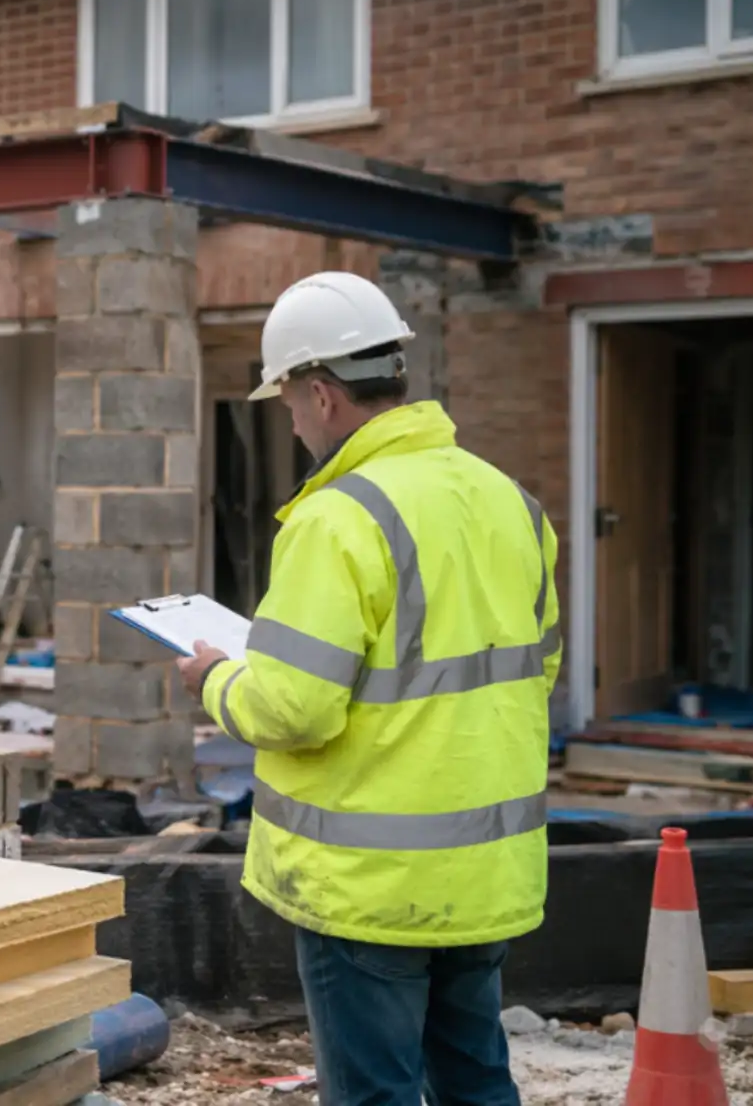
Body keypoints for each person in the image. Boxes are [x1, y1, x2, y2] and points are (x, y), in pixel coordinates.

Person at [174, 272, 560, 1106]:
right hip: (485, 868)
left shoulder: (338, 519)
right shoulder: (510, 502)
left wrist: (215, 680)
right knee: (476, 1080)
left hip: (370, 886)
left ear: (321, 394)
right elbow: (536, 671)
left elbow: (293, 707)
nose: (291, 421)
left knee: (372, 1094)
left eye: (288, 401)